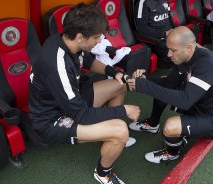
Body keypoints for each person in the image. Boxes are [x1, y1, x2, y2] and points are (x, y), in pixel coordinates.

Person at [29, 3, 140, 184]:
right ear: (80, 37)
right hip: (52, 119)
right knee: (121, 130)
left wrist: (114, 72)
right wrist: (124, 110)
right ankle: (103, 173)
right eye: (96, 37)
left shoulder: (68, 41)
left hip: (72, 100)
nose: (99, 40)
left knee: (119, 84)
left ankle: (108, 134)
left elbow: (87, 60)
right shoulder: (57, 65)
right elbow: (82, 115)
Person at [127, 26, 213, 163]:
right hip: (201, 105)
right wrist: (144, 79)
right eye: (168, 49)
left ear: (189, 48)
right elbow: (168, 84)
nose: (168, 54)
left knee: (171, 126)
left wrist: (145, 86)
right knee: (166, 87)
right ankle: (152, 124)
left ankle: (172, 152)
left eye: (173, 50)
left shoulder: (207, 64)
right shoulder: (186, 55)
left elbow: (185, 101)